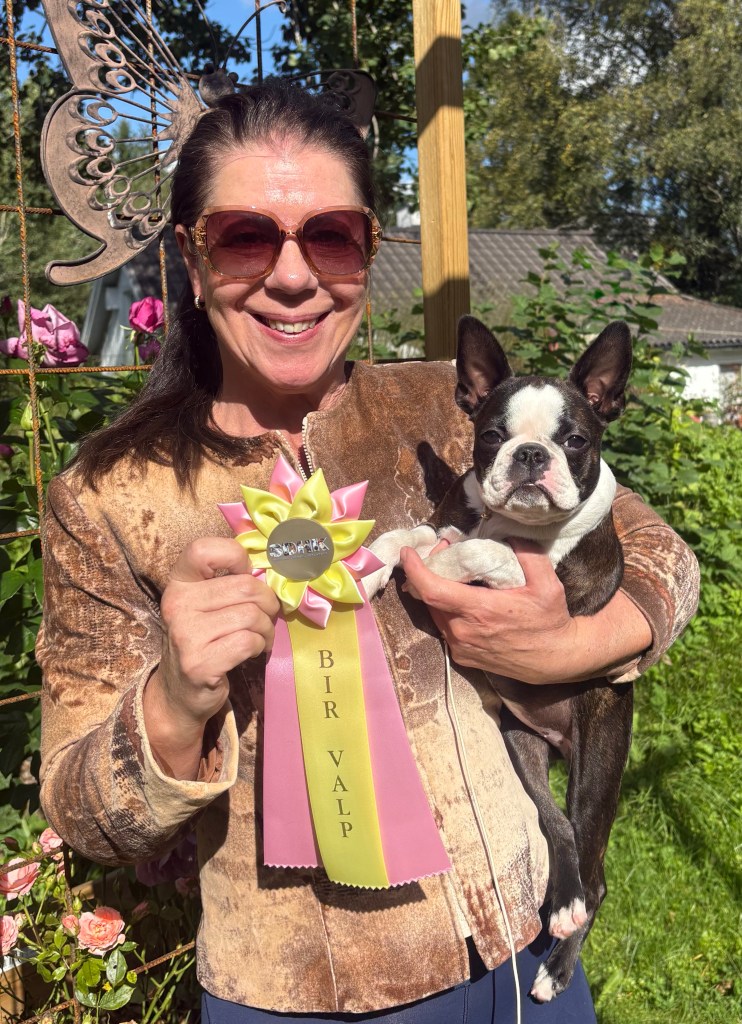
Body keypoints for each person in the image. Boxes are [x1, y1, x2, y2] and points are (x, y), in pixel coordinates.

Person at [37, 82, 699, 1024]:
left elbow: (660, 551)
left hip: (526, 942)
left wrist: (580, 644)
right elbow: (82, 812)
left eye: (332, 236)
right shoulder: (108, 494)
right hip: (305, 991)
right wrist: (175, 704)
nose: (294, 276)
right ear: (190, 257)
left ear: (368, 253)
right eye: (246, 237)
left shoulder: (447, 408)